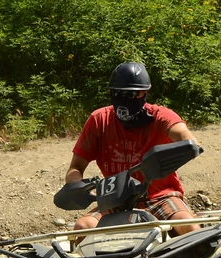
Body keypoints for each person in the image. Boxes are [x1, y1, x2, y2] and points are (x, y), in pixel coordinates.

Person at [65, 61, 201, 235]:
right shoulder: (99, 121)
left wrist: (189, 145)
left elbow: (183, 134)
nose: (123, 99)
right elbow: (75, 167)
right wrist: (80, 187)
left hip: (161, 196)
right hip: (116, 199)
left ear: (144, 93)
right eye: (117, 93)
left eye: (130, 94)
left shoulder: (160, 116)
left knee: (188, 225)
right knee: (83, 228)